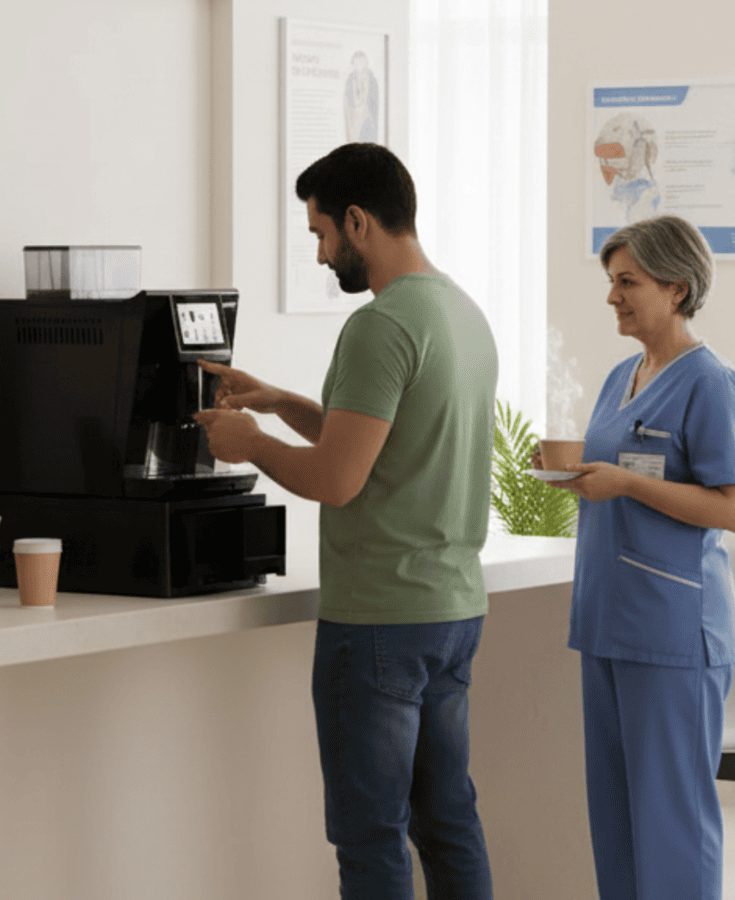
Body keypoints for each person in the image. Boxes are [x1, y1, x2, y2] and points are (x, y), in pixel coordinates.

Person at [193, 142, 498, 900]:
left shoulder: (379, 326)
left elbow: (337, 478)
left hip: (378, 621)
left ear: (358, 221)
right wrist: (278, 403)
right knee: (448, 821)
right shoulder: (461, 313)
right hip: (451, 610)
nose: (322, 254)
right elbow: (376, 441)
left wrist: (250, 444)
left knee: (370, 837)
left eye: (322, 233)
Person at [543, 214, 735, 900]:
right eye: (611, 281)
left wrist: (628, 483)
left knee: (672, 823)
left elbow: (733, 509)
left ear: (677, 287)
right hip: (608, 621)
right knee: (615, 819)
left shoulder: (711, 383)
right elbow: (615, 472)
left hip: (672, 631)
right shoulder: (621, 376)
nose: (613, 296)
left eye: (627, 282)